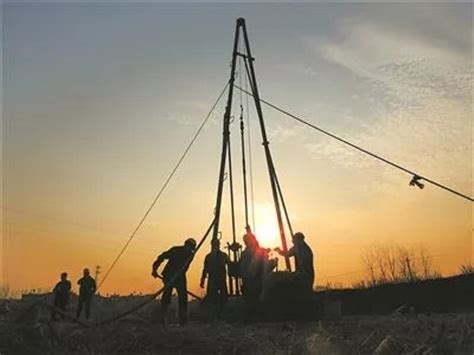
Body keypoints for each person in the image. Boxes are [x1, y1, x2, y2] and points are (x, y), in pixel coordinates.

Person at [152, 237, 196, 326]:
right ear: (186, 245)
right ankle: (162, 319)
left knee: (183, 298)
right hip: (169, 275)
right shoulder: (175, 250)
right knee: (166, 296)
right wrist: (154, 269)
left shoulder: (191, 255)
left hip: (180, 277)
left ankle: (183, 321)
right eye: (190, 247)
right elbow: (162, 256)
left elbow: (184, 267)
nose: (190, 250)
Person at [238, 227, 264, 322]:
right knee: (250, 297)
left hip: (253, 278)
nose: (245, 242)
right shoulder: (247, 252)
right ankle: (251, 316)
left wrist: (249, 232)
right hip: (248, 278)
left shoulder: (253, 251)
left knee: (253, 297)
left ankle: (254, 316)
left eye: (246, 241)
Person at [200, 238, 229, 308]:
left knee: (223, 297)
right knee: (212, 298)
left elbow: (231, 265)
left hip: (220, 280)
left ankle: (221, 310)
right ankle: (214, 312)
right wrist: (202, 280)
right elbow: (205, 269)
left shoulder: (222, 256)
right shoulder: (209, 257)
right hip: (213, 280)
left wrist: (202, 280)